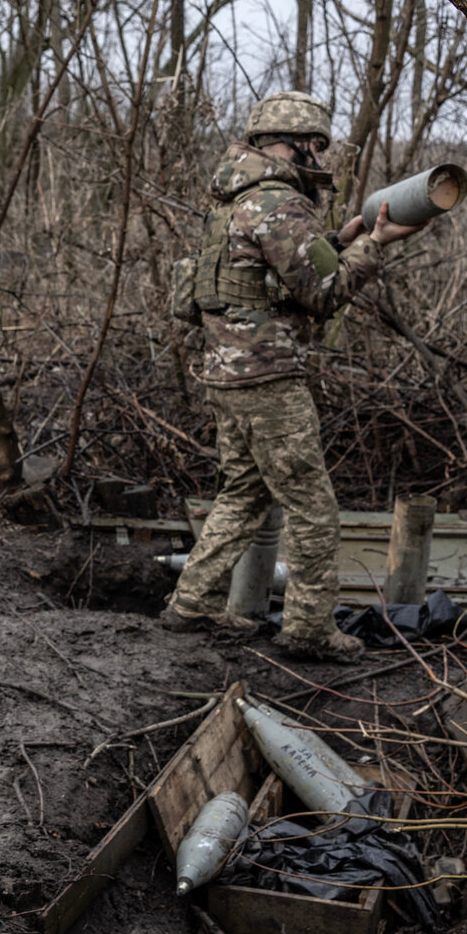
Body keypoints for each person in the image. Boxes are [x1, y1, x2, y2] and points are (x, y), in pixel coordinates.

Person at [159, 90, 427, 660]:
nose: (320, 155)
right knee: (313, 508)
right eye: (318, 144)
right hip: (267, 378)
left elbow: (277, 269)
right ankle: (308, 628)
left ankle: (191, 603)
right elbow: (322, 292)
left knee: (243, 494)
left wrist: (343, 239)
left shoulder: (237, 200)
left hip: (227, 373)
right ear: (301, 141)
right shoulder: (280, 202)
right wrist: (375, 247)